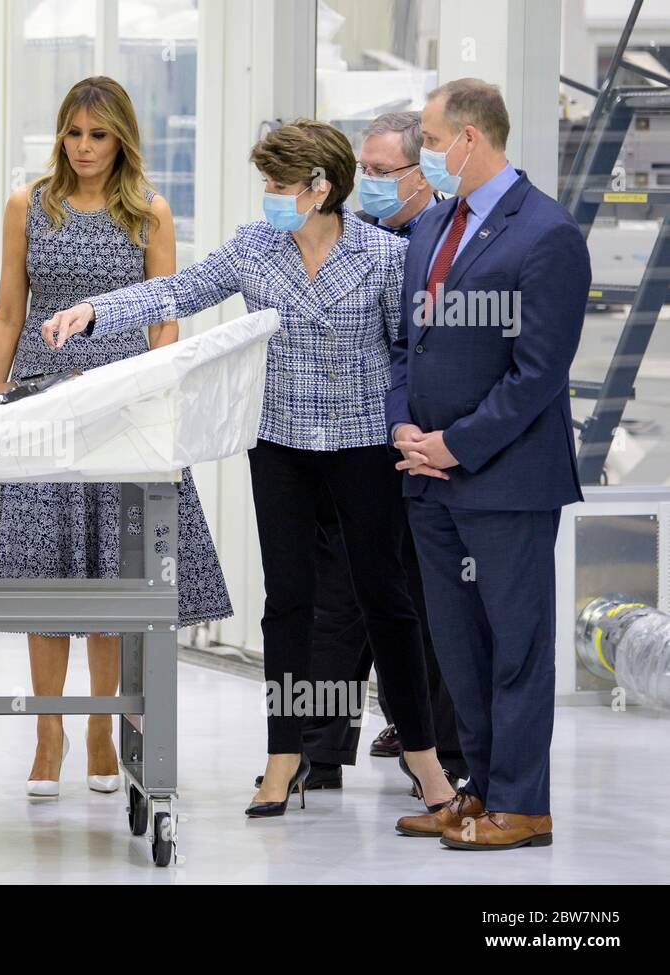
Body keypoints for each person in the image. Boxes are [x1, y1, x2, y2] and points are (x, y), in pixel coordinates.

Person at [41, 119, 455, 820]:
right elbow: (176, 290)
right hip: (282, 443)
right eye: (265, 181)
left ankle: (425, 759)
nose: (267, 193)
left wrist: (417, 428)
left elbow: (408, 352)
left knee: (387, 599)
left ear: (320, 188)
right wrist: (93, 311)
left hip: (362, 445)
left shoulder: (385, 257)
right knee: (287, 601)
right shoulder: (255, 247)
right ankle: (282, 758)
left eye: (279, 183)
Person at [0, 76, 233, 799]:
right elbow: (8, 310)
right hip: (42, 403)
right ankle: (47, 730)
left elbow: (164, 319)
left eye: (98, 134)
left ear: (121, 136)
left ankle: (100, 727)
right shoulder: (28, 205)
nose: (84, 147)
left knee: (108, 572)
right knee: (42, 572)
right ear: (59, 135)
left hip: (120, 409)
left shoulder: (149, 213)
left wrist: (158, 406)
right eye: (73, 133)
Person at [389, 79, 590, 850]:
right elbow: (412, 345)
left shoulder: (546, 233)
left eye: (432, 142)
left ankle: (524, 804)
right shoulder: (434, 223)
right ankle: (478, 789)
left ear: (471, 139)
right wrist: (406, 427)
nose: (424, 157)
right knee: (459, 649)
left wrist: (456, 444)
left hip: (503, 481)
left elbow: (538, 373)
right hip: (428, 478)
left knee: (517, 645)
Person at [297, 111, 466, 794]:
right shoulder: (349, 237)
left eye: (378, 171)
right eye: (360, 169)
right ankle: (319, 748)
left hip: (427, 451)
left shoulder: (448, 240)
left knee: (426, 604)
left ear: (420, 175)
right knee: (335, 606)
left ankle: (439, 743)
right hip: (353, 449)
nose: (364, 182)